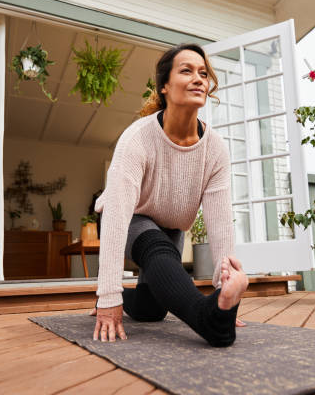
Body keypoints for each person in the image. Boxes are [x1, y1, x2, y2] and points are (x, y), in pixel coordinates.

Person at [91, 43, 249, 347]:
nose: (199, 79)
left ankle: (135, 300)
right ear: (164, 86)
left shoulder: (215, 147)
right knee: (157, 249)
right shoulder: (137, 138)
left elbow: (219, 223)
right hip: (125, 218)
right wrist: (107, 295)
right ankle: (211, 320)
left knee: (152, 311)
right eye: (186, 71)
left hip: (171, 227)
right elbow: (116, 216)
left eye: (203, 73)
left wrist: (224, 289)